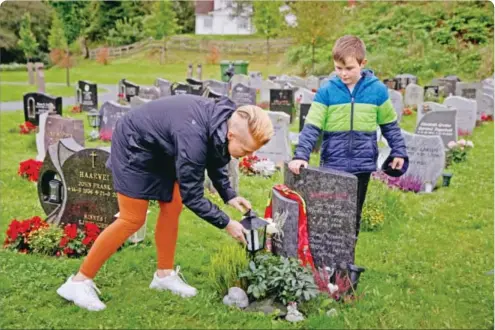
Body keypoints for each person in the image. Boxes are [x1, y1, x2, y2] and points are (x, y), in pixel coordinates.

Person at [57, 95, 274, 311]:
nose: (249, 155)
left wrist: (229, 194)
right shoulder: (193, 137)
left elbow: (217, 155)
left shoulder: (221, 123)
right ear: (231, 134)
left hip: (163, 146)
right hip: (134, 143)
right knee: (131, 219)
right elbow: (194, 196)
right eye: (246, 150)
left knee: (172, 206)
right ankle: (78, 282)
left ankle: (164, 275)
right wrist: (227, 223)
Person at [289, 35, 408, 240]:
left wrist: (399, 151)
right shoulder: (327, 90)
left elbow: (389, 125)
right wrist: (301, 155)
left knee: (353, 216)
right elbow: (312, 126)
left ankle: (347, 264)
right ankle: (328, 261)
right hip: (333, 163)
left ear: (363, 64)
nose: (343, 74)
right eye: (338, 68)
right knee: (330, 215)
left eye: (349, 68)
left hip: (362, 165)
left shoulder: (377, 90)